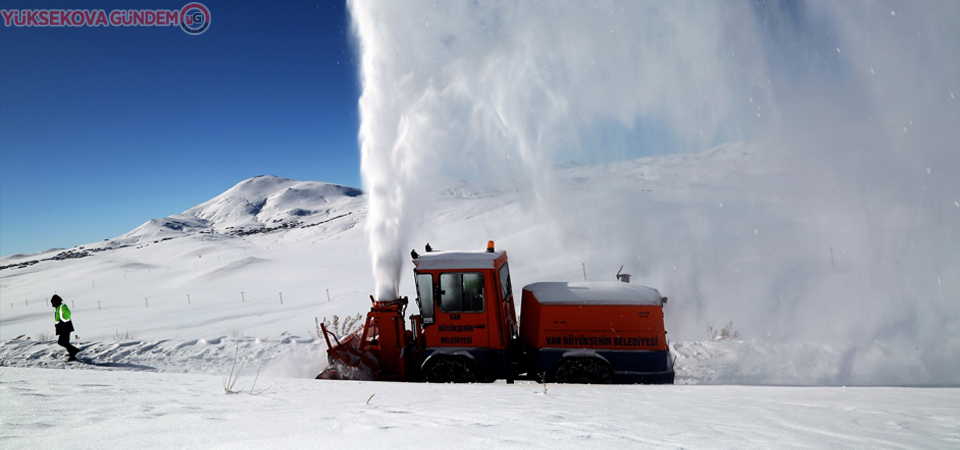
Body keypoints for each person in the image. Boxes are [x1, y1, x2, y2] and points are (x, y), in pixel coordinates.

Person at [51, 294, 80, 361]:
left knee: (62, 342)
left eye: (54, 301)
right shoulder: (58, 307)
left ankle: (74, 351)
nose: (53, 303)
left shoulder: (62, 306)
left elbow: (68, 314)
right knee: (63, 342)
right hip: (62, 327)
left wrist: (64, 320)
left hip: (65, 326)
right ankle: (73, 353)